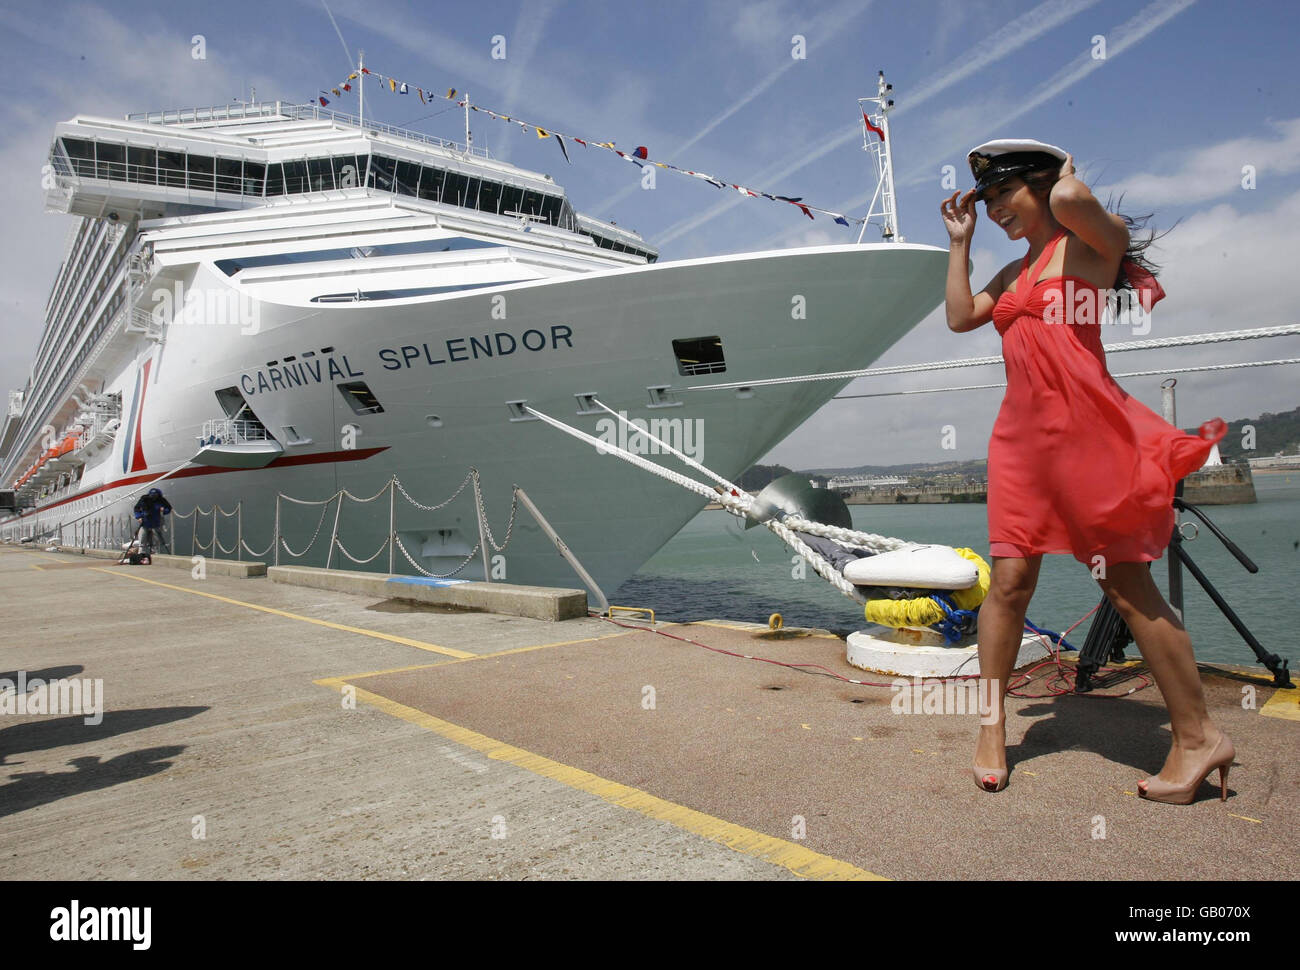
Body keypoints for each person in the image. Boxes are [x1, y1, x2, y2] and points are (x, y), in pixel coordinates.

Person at [940, 139, 1233, 804]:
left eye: (1002, 193)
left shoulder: (1090, 247)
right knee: (1008, 584)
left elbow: (1076, 203)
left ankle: (1196, 736)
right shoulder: (1014, 271)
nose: (992, 209)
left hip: (1084, 437)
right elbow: (961, 317)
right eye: (983, 200)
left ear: (1044, 183)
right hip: (1018, 442)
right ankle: (992, 728)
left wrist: (1065, 173)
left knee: (1127, 585)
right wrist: (960, 244)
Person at [133, 487, 173, 557]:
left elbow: (169, 508)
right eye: (152, 495)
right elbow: (136, 508)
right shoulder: (144, 499)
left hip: (155, 523)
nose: (154, 497)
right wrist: (139, 517)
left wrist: (163, 510)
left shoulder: (161, 500)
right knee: (142, 539)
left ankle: (155, 553)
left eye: (155, 496)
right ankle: (141, 555)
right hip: (145, 522)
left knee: (157, 539)